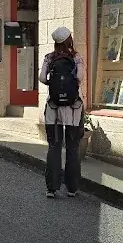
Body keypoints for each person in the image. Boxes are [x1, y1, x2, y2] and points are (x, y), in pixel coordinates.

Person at [39, 26, 84, 198]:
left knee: (54, 146)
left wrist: (54, 83)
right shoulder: (76, 57)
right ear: (69, 40)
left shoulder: (49, 58)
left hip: (53, 107)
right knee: (72, 147)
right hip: (74, 108)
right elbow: (79, 78)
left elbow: (42, 78)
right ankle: (72, 188)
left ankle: (52, 188)